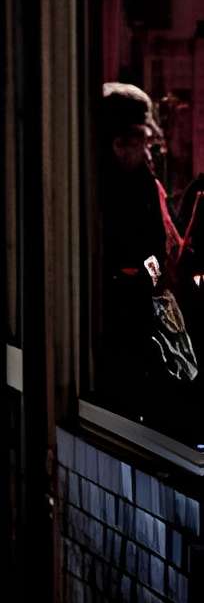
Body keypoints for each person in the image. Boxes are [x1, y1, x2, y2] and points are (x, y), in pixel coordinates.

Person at [96, 82, 187, 425]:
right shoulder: (123, 188)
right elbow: (152, 253)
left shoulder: (137, 182)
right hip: (127, 319)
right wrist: (155, 280)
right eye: (141, 142)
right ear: (119, 143)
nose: (149, 152)